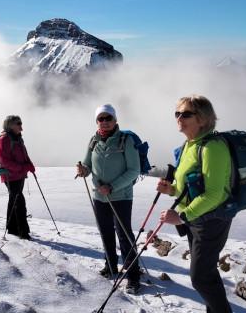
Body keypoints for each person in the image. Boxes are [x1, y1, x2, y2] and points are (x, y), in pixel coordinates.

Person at [157, 95, 233, 313]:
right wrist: (170, 190)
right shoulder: (190, 144)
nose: (179, 117)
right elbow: (189, 188)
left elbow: (213, 195)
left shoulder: (212, 148)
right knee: (206, 274)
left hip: (211, 220)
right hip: (195, 218)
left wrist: (181, 216)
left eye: (186, 113)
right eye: (177, 113)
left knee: (200, 278)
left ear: (202, 119)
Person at [76, 104, 141, 294]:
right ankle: (110, 266)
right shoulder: (93, 141)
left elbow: (134, 170)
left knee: (124, 235)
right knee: (105, 231)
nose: (104, 122)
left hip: (121, 196)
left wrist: (111, 187)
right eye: (100, 119)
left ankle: (133, 276)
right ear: (97, 121)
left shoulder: (125, 140)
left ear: (115, 120)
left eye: (108, 118)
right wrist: (83, 171)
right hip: (99, 196)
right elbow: (87, 164)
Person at [0, 115, 35, 240]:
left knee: (14, 200)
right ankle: (22, 232)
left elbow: (24, 154)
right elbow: (4, 162)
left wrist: (29, 165)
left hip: (18, 175)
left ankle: (12, 228)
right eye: (18, 124)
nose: (21, 127)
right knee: (19, 202)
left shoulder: (17, 138)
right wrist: (23, 168)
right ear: (10, 125)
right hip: (10, 176)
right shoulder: (4, 140)